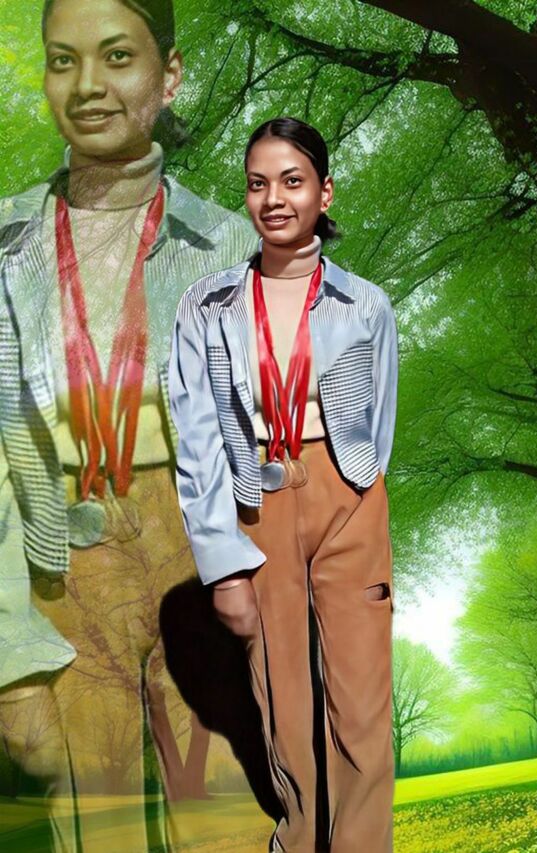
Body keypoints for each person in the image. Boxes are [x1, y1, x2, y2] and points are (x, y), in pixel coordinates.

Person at [0, 1, 262, 850]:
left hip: (205, 554)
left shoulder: (230, 246)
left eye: (117, 56)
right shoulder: (3, 246)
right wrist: (12, 660)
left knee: (232, 821)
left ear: (169, 73)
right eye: (62, 60)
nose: (87, 85)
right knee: (99, 828)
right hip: (58, 563)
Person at [169, 116, 399, 852]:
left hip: (348, 497)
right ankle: (299, 841)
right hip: (254, 499)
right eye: (258, 183)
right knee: (283, 701)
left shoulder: (366, 305)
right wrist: (222, 564)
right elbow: (197, 436)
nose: (274, 198)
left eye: (292, 181)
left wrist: (351, 486)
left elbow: (379, 420)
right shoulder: (206, 307)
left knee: (363, 702)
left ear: (323, 193)